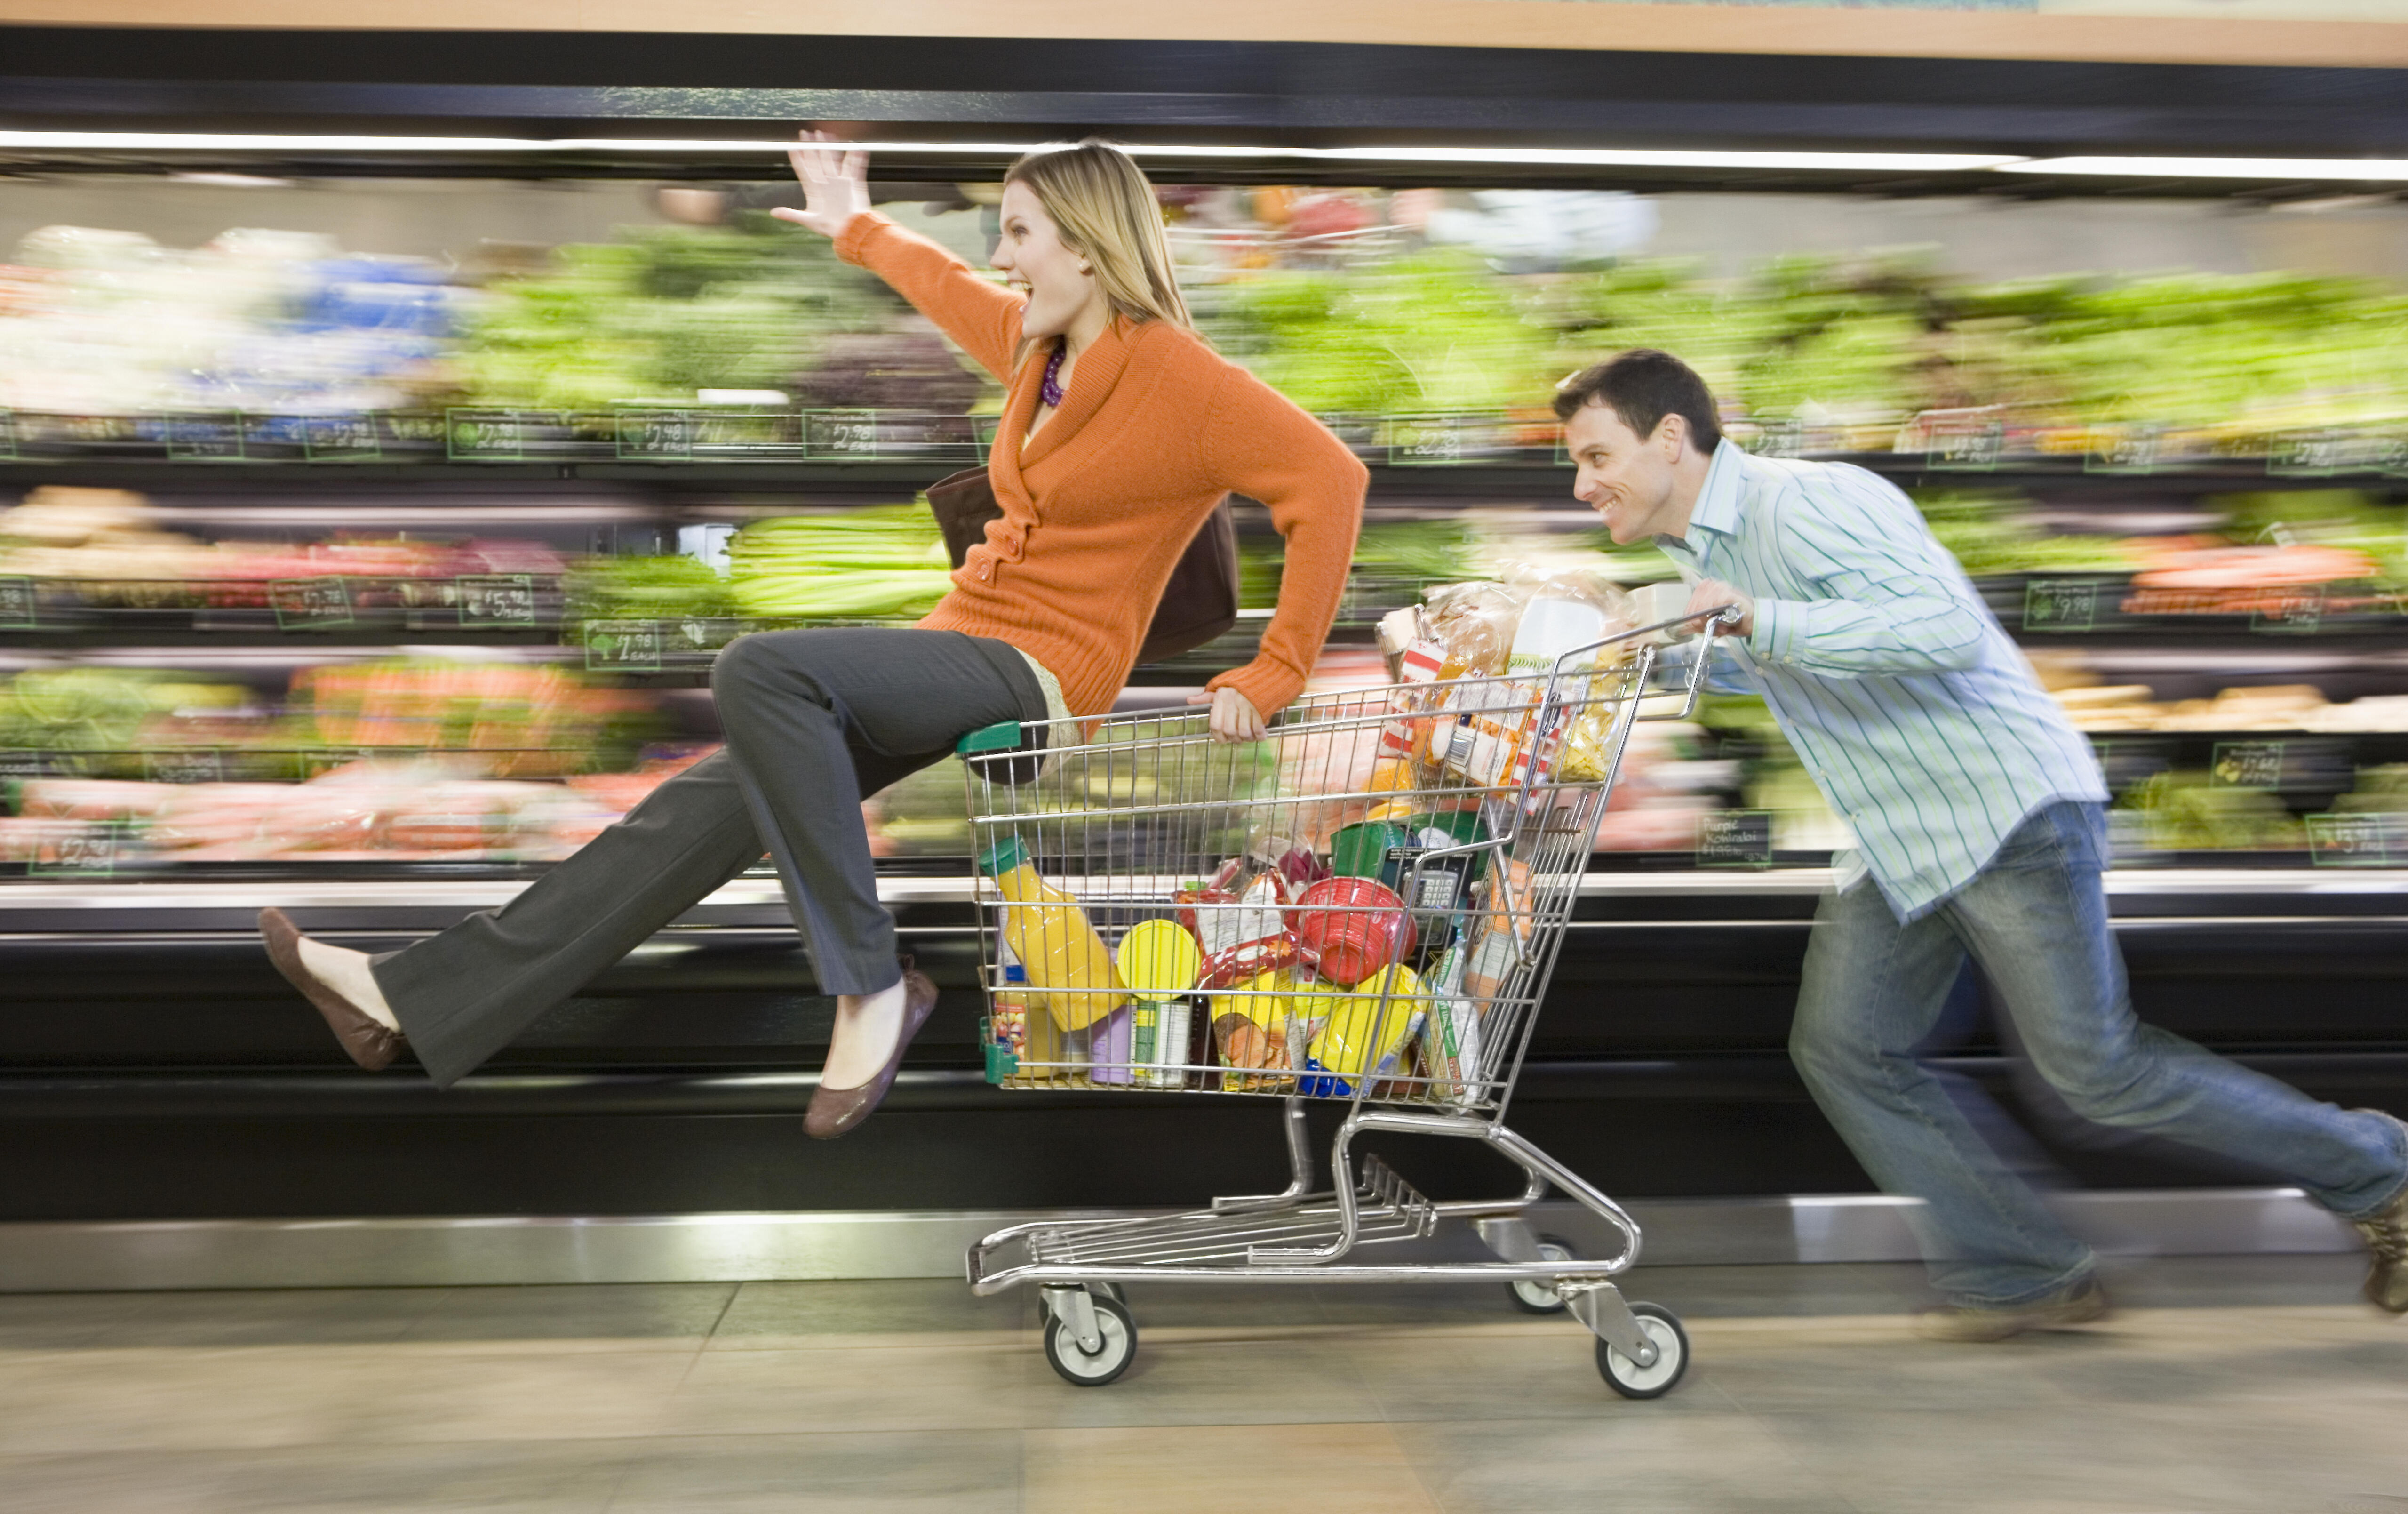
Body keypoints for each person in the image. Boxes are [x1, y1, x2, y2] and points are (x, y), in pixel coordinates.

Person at [260, 135, 1367, 1139]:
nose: (1003, 251)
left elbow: (1332, 477)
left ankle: (874, 980)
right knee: (695, 809)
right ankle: (412, 999)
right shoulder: (1044, 355)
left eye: (1020, 231)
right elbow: (952, 292)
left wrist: (1278, 669)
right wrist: (856, 222)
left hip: (1045, 671)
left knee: (764, 666)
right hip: (966, 638)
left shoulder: (1180, 374)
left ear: (1086, 247)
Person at [1553, 348, 2408, 1337]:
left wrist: (1752, 613)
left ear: (1669, 437)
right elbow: (1795, 661)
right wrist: (1638, 650)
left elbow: (1945, 629)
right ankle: (2023, 1270)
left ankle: (2381, 1172)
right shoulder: (1704, 551)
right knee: (1849, 1047)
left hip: (2003, 811)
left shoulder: (1811, 500)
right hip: (1905, 836)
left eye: (1595, 454)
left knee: (2099, 1073)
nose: (1583, 485)